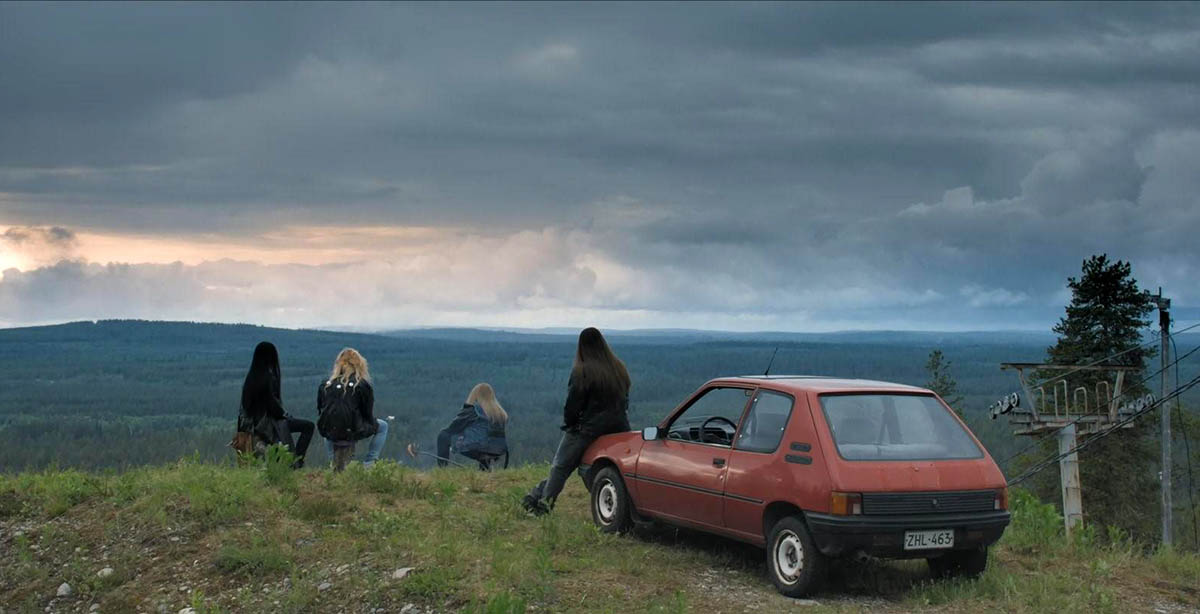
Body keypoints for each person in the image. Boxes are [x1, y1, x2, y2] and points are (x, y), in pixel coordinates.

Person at [522, 327, 631, 515]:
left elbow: (573, 404)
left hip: (587, 428)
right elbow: (625, 401)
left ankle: (543, 504)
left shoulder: (583, 371)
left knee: (561, 466)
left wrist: (571, 424)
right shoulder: (618, 369)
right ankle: (535, 495)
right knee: (615, 469)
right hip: (618, 427)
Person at [238, 341, 314, 468]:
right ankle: (297, 462)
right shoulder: (268, 378)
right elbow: (273, 406)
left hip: (255, 425)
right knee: (308, 427)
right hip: (270, 424)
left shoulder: (250, 378)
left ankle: (289, 462)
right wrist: (284, 415)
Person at [317, 348, 387, 470]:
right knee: (382, 426)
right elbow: (367, 413)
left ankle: (332, 461)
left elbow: (321, 408)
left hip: (331, 430)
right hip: (354, 429)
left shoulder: (326, 384)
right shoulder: (362, 385)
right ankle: (370, 463)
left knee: (326, 424)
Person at [436, 382, 509, 470]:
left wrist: (468, 404)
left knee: (443, 435)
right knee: (484, 440)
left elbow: (453, 427)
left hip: (480, 448)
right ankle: (484, 469)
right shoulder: (500, 413)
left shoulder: (473, 410)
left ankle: (442, 469)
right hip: (498, 450)